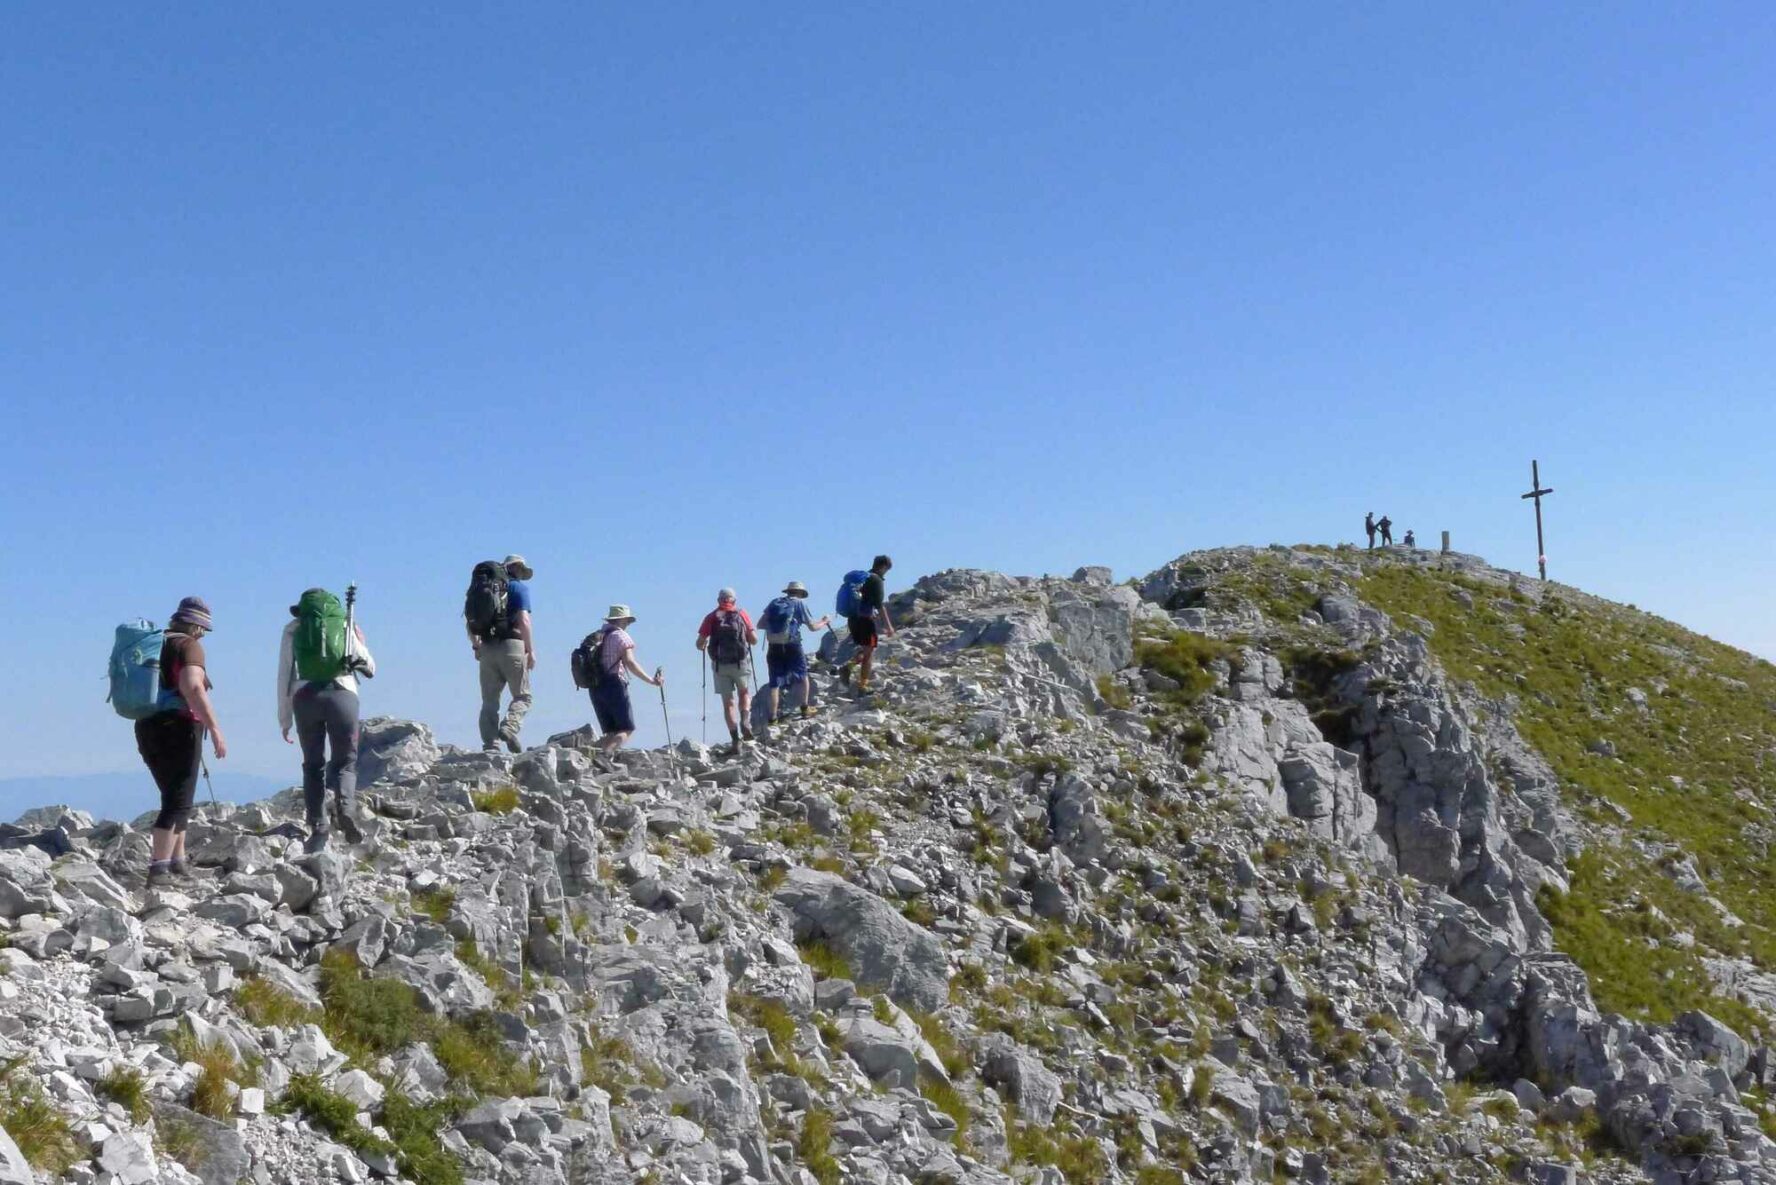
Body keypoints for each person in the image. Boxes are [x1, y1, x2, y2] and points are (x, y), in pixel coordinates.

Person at [277, 590, 377, 854]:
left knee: (313, 765)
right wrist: (361, 643)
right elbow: (370, 667)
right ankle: (346, 810)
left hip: (305, 698)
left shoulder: (292, 629)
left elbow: (285, 674)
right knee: (345, 762)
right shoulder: (346, 624)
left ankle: (319, 825)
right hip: (342, 696)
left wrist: (284, 718)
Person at [136, 597, 225, 888]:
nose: (202, 635)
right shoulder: (188, 646)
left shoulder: (155, 642)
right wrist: (215, 729)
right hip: (180, 726)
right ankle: (159, 870)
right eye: (203, 630)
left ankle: (178, 862)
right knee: (179, 800)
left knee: (173, 795)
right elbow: (193, 687)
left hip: (146, 725)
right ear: (197, 626)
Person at [467, 554, 535, 753]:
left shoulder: (481, 589)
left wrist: (476, 646)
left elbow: (470, 622)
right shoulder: (518, 588)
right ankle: (509, 728)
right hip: (512, 645)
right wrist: (530, 650)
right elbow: (524, 620)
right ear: (519, 569)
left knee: (489, 701)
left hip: (487, 647)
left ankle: (490, 746)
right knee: (523, 696)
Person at [589, 604, 663, 751]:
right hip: (614, 683)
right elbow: (630, 662)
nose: (628, 624)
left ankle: (592, 759)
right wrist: (651, 680)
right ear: (622, 620)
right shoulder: (621, 636)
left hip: (595, 685)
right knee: (626, 728)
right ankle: (605, 756)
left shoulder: (597, 636)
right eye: (627, 621)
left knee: (610, 731)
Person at [697, 588, 759, 754]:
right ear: (734, 601)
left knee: (728, 703)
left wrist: (705, 646)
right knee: (744, 693)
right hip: (741, 663)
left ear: (719, 601)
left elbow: (699, 643)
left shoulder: (711, 617)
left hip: (720, 665)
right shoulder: (741, 614)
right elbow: (754, 640)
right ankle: (745, 721)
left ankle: (735, 742)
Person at [759, 581, 830, 724]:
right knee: (802, 675)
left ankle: (772, 718)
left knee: (774, 683)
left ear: (788, 591)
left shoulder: (774, 603)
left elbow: (760, 624)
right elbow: (813, 627)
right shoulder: (799, 604)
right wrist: (824, 621)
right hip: (792, 644)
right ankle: (804, 709)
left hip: (774, 646)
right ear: (801, 593)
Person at [838, 555, 895, 693]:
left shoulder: (861, 579)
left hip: (852, 619)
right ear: (883, 567)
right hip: (865, 620)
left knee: (866, 649)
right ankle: (863, 686)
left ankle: (848, 667)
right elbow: (880, 605)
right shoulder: (876, 580)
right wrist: (888, 626)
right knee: (869, 653)